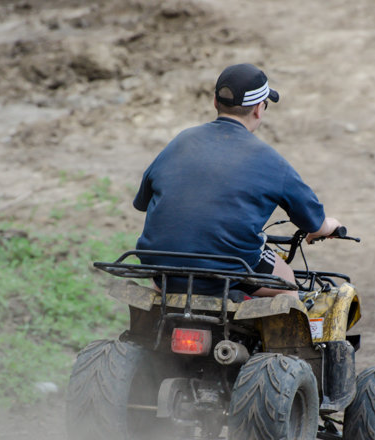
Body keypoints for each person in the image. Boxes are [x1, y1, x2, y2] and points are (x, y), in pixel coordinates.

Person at [132, 63, 341, 297]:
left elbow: (142, 202)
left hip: (163, 269)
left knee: (163, 290)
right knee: (287, 284)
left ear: (215, 102)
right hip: (230, 269)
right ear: (259, 109)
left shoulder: (181, 141)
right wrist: (328, 226)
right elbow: (314, 223)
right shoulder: (269, 160)